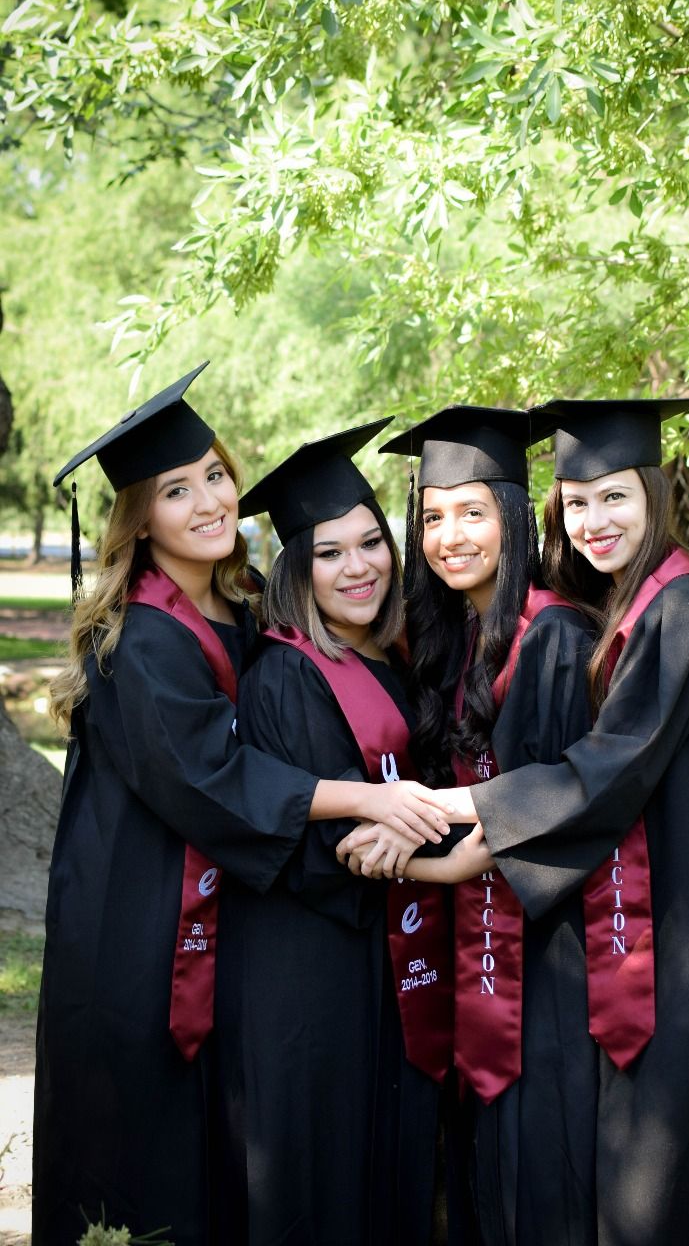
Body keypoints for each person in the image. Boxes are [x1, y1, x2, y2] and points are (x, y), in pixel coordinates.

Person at [360, 396, 689, 1245]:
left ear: (654, 493)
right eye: (576, 502)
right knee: (667, 1144)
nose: (593, 521)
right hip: (681, 896)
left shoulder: (683, 605)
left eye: (613, 497)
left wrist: (453, 815)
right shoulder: (625, 604)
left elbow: (615, 759)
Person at [35, 366, 450, 1246]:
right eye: (175, 490)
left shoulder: (241, 602)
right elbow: (212, 776)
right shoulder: (139, 637)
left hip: (219, 900)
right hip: (138, 912)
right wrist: (371, 799)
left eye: (215, 475)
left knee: (215, 1140)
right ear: (139, 519)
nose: (209, 502)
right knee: (145, 1134)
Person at [217, 419, 471, 1246]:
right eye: (328, 553)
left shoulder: (392, 658)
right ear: (296, 569)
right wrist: (438, 856)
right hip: (311, 970)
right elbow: (311, 846)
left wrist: (409, 835)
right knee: (325, 1168)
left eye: (370, 544)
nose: (358, 567)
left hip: (383, 958)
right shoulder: (285, 675)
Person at [352, 406, 595, 1239]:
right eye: (430, 517)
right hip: (468, 937)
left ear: (514, 519)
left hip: (546, 946)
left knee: (535, 1150)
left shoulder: (552, 634)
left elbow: (564, 800)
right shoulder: (444, 636)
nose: (448, 537)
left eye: (471, 513)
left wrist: (428, 861)